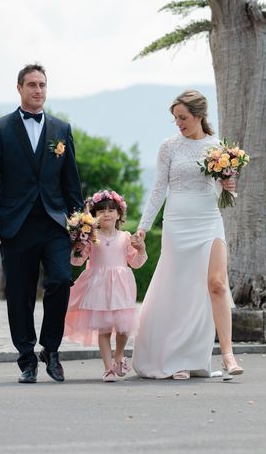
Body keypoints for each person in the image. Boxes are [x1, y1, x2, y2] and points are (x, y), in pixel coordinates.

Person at [0, 63, 83, 383]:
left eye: (42, 85)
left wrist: (80, 228)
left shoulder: (61, 130)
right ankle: (26, 357)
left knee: (61, 280)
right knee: (20, 293)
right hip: (16, 225)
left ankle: (50, 349)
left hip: (55, 224)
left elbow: (72, 184)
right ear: (19, 88)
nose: (38, 90)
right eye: (32, 85)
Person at [132, 89, 244, 380]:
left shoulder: (217, 147)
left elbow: (223, 194)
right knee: (179, 289)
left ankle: (228, 354)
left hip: (209, 220)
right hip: (177, 222)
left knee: (217, 284)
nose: (178, 123)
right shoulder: (169, 147)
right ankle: (176, 355)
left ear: (199, 116)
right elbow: (159, 189)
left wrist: (229, 186)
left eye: (183, 118)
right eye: (175, 118)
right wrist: (143, 226)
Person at [64, 190, 147, 382]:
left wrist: (140, 249)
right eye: (101, 211)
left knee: (124, 328)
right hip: (99, 287)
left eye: (111, 210)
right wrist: (77, 248)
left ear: (119, 214)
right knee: (104, 328)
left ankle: (119, 356)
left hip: (121, 287)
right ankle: (108, 367)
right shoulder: (91, 237)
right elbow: (77, 262)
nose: (106, 214)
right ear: (93, 216)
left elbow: (135, 262)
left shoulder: (125, 237)